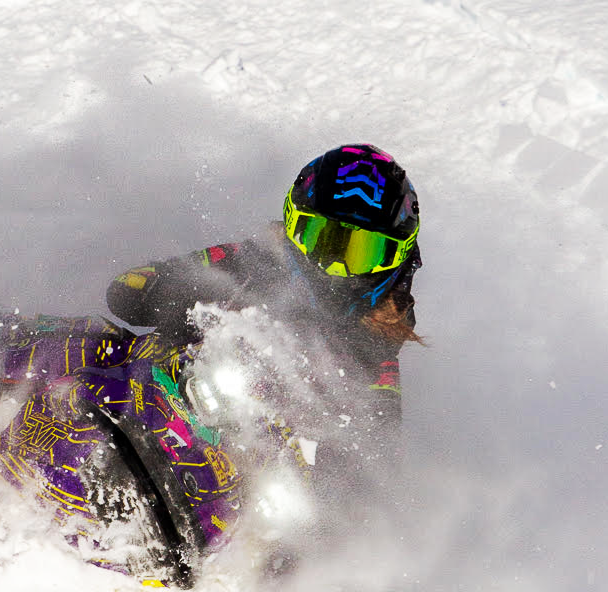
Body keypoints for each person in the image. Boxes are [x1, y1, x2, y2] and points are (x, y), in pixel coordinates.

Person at [105, 144, 424, 452]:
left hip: (242, 467)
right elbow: (129, 286)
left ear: (395, 259)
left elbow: (378, 460)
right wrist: (176, 298)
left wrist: (329, 453)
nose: (335, 269)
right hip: (149, 400)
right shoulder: (252, 259)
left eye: (363, 253)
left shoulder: (376, 353)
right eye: (321, 239)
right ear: (294, 225)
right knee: (94, 338)